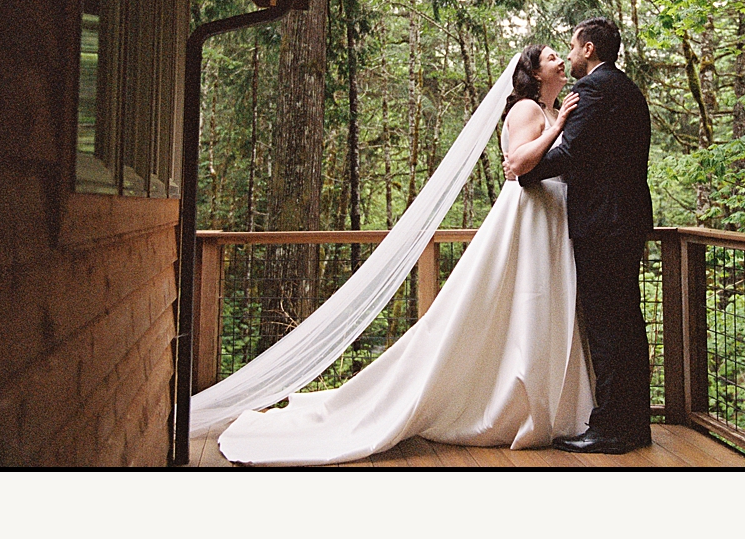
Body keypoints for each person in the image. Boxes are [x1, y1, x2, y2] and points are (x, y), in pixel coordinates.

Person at [211, 43, 594, 463]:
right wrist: (557, 130)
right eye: (552, 56)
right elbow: (518, 162)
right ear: (536, 74)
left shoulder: (557, 111)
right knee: (523, 304)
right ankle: (515, 403)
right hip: (530, 218)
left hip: (554, 219)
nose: (561, 60)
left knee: (545, 307)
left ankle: (549, 405)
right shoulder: (527, 110)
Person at [517, 16, 655, 453]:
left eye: (573, 48)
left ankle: (610, 429)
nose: (570, 56)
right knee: (628, 324)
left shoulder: (592, 90)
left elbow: (574, 152)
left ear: (590, 49)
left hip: (603, 224)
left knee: (608, 326)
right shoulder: (629, 91)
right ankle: (635, 425)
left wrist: (525, 172)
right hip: (627, 220)